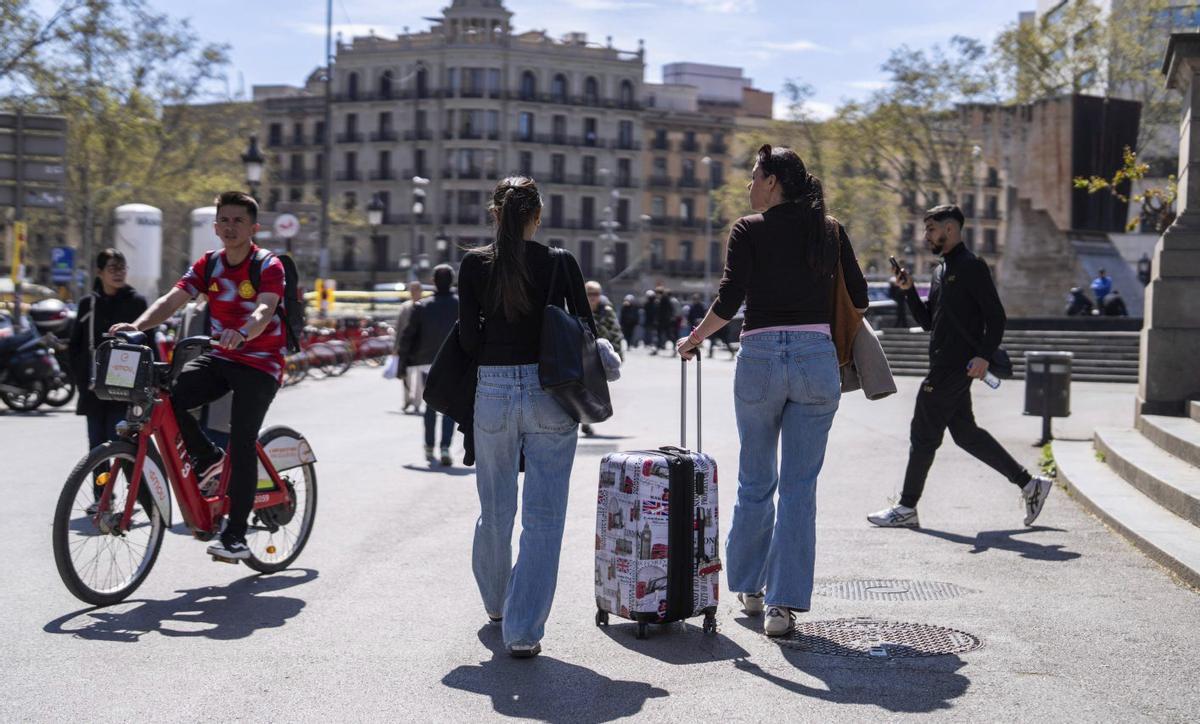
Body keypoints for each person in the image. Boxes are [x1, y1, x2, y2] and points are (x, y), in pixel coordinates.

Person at [676, 144, 868, 637]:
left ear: (775, 181)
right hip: (815, 359)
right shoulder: (830, 230)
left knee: (756, 481)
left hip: (760, 358)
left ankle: (750, 586)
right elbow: (861, 296)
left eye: (755, 175)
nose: (749, 184)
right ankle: (784, 607)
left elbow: (731, 298)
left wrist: (694, 340)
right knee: (801, 488)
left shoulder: (748, 229)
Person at [457, 175, 592, 658]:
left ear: (495, 214)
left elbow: (468, 341)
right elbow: (585, 332)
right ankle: (523, 629)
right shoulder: (560, 263)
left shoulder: (474, 264)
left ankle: (496, 605)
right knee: (544, 518)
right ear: (538, 216)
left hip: (492, 390)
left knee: (494, 510)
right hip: (549, 391)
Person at [110, 191, 286, 561]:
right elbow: (173, 299)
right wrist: (137, 327)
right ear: (215, 226)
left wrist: (243, 331)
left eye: (239, 221)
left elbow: (265, 309)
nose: (230, 227)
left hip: (260, 363)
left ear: (253, 228)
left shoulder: (267, 265)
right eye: (224, 220)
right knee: (169, 397)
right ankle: (207, 457)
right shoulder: (209, 264)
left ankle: (236, 535)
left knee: (241, 442)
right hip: (221, 356)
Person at [868, 205, 1053, 532]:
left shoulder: (972, 266)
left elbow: (996, 317)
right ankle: (1029, 484)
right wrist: (909, 291)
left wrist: (983, 356)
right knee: (966, 434)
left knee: (923, 435)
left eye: (930, 229)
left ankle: (907, 507)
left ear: (950, 229)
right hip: (944, 363)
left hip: (953, 368)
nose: (925, 236)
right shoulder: (941, 270)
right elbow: (928, 322)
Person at [68, 248, 148, 514]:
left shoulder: (136, 302)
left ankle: (138, 496)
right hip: (93, 389)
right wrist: (80, 378)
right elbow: (75, 345)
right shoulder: (87, 304)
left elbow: (149, 342)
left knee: (124, 444)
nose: (118, 272)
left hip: (125, 388)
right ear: (99, 272)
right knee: (97, 446)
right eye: (112, 267)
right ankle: (103, 496)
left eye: (121, 267)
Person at [397, 264, 459, 465]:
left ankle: (429, 447)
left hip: (426, 364)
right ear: (452, 281)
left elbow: (408, 336)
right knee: (449, 408)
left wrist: (403, 364)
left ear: (432, 281)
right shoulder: (461, 305)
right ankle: (445, 448)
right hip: (452, 363)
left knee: (430, 405)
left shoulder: (422, 306)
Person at [581, 280, 624, 436]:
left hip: (599, 358)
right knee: (580, 389)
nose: (593, 297)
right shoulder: (576, 308)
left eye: (596, 294)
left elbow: (616, 335)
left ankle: (586, 420)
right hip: (581, 355)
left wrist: (617, 359)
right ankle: (584, 420)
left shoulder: (606, 310)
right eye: (589, 294)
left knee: (592, 391)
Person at [394, 280, 424, 412]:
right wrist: (395, 346)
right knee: (405, 375)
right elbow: (399, 328)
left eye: (416, 289)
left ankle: (417, 403)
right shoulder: (404, 307)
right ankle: (407, 400)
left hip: (420, 347)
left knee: (419, 378)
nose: (414, 292)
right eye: (412, 290)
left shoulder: (424, 306)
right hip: (405, 347)